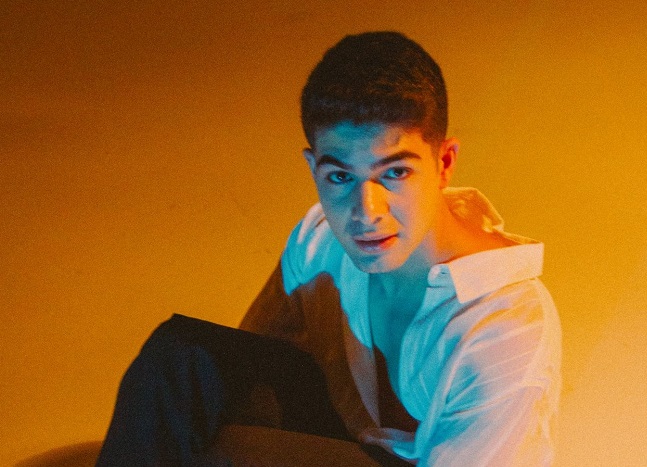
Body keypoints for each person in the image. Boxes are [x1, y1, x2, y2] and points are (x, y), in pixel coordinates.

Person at [97, 31, 561, 466]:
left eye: (395, 173)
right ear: (313, 167)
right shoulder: (318, 238)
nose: (367, 212)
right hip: (344, 437)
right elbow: (241, 376)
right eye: (340, 176)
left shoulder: (504, 329)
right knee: (183, 357)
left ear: (444, 163)